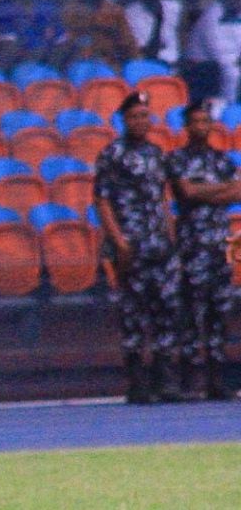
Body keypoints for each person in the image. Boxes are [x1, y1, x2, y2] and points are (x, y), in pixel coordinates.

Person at [94, 92, 183, 405]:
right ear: (124, 120)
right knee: (134, 313)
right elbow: (102, 199)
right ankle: (137, 383)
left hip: (159, 244)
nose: (141, 122)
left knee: (165, 312)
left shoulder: (157, 154)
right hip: (131, 244)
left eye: (145, 116)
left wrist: (171, 235)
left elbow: (162, 198)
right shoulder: (113, 154)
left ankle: (165, 381)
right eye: (135, 116)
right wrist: (118, 241)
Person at [166, 101, 241, 400]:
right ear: (186, 127)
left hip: (218, 245)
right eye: (195, 122)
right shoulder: (177, 159)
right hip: (191, 246)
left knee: (218, 313)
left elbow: (237, 192)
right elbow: (186, 192)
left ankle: (216, 381)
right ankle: (188, 381)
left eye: (205, 121)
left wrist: (203, 192)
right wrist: (218, 191)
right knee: (190, 314)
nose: (201, 127)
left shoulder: (222, 160)